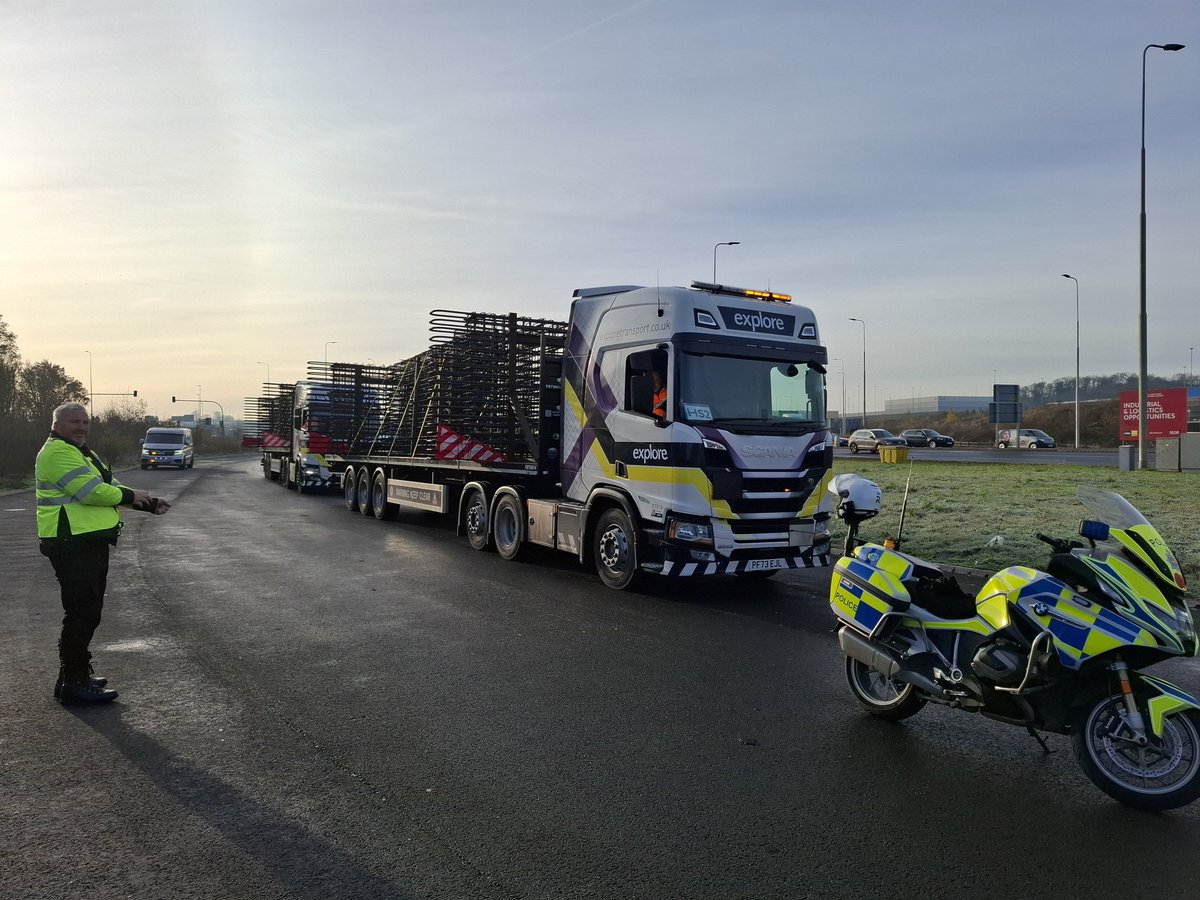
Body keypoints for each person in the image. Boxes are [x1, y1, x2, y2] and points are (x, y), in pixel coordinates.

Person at [36, 402, 170, 704]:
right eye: (73, 422)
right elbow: (90, 492)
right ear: (57, 424)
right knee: (82, 613)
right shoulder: (58, 452)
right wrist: (131, 496)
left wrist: (146, 502)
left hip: (87, 541)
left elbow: (109, 484)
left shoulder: (80, 452)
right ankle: (74, 681)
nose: (81, 427)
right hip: (71, 542)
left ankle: (73, 675)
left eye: (85, 422)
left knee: (87, 611)